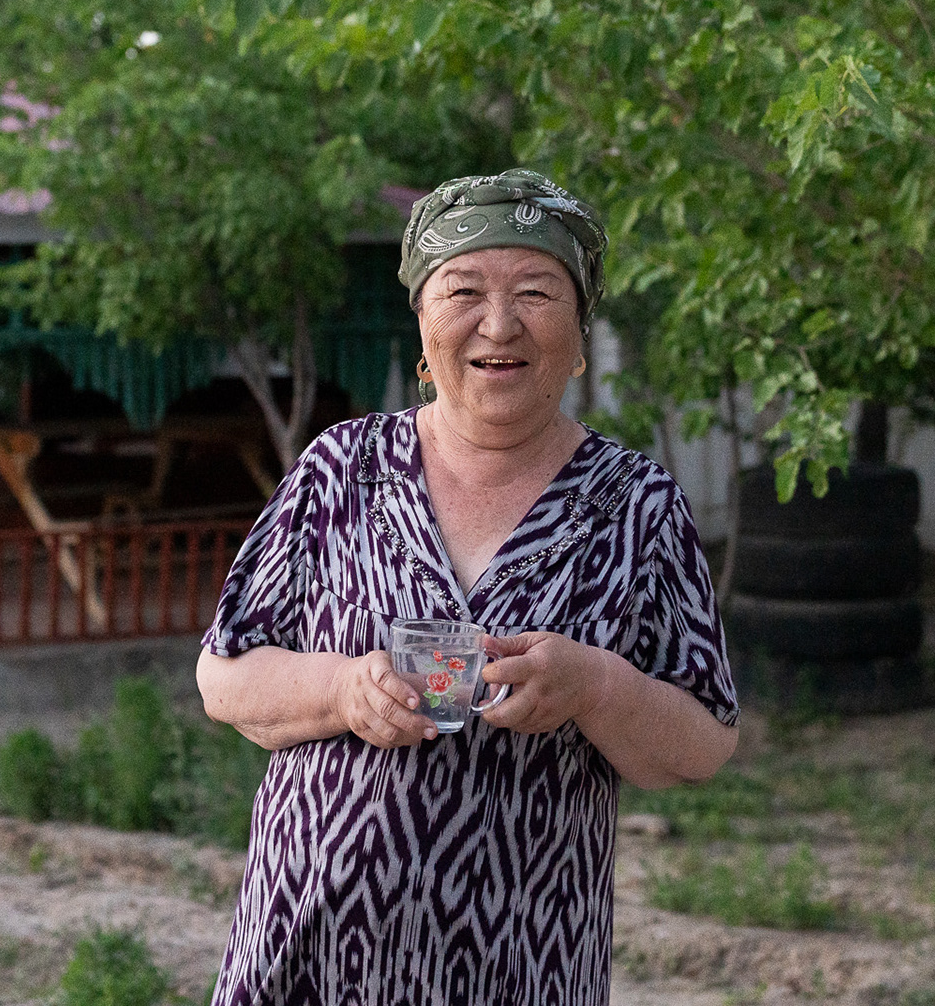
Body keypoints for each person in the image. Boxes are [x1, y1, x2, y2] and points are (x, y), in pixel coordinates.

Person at [197, 168, 739, 1005]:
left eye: (536, 292)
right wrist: (345, 690)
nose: (499, 323)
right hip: (308, 948)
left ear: (579, 332)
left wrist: (594, 685)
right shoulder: (343, 469)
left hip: (521, 961)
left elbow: (704, 742)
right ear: (423, 322)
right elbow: (223, 675)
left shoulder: (637, 505)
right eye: (462, 291)